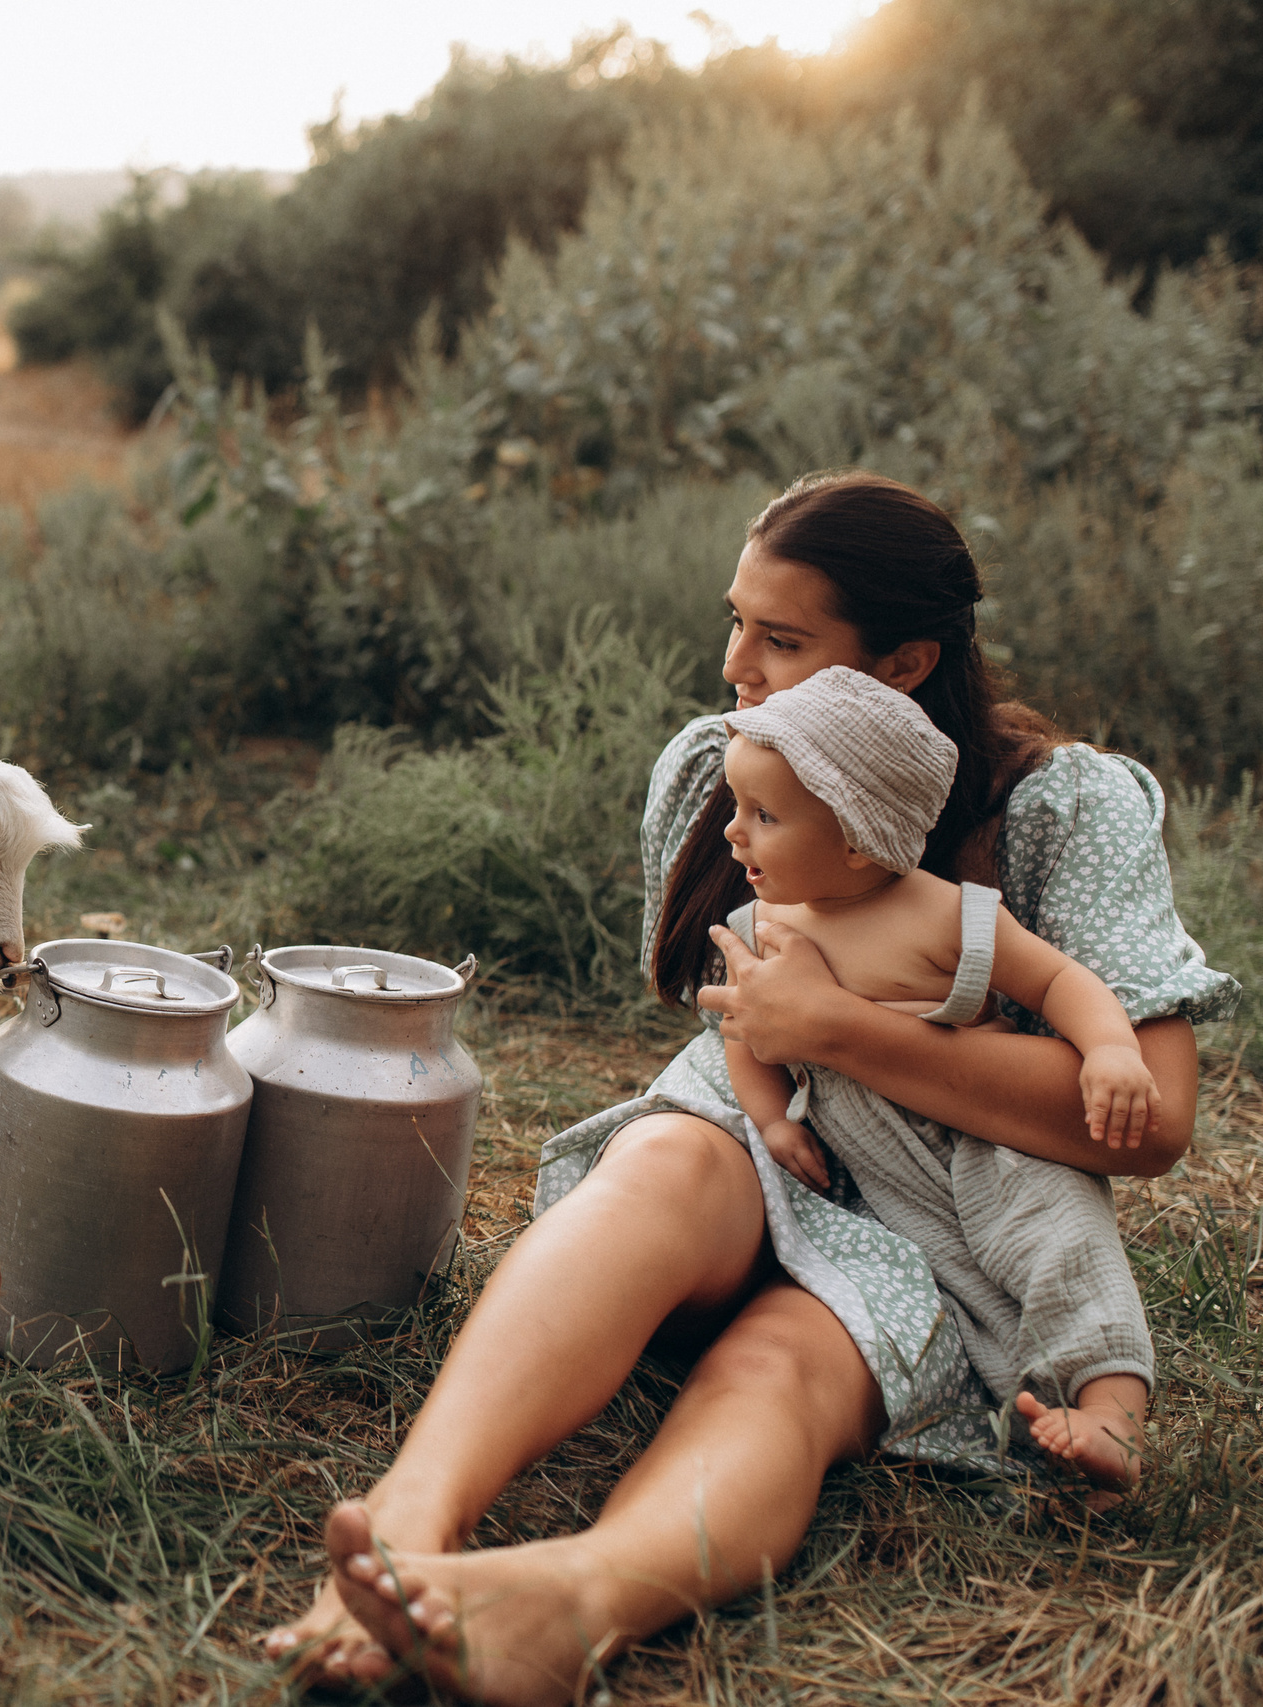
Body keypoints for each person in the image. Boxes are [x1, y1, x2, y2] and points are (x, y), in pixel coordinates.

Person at [259, 471, 1238, 1706]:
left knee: (780, 1362)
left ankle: (569, 1607)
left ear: (904, 663)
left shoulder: (1060, 806)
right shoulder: (731, 765)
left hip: (942, 1218)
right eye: (736, 622)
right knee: (664, 1164)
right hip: (770, 1138)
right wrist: (782, 1076)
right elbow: (734, 1034)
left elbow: (1155, 1122)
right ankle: (405, 1528)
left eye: (781, 639)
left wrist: (840, 1030)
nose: (734, 666)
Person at [715, 664, 1158, 1488]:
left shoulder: (943, 914)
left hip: (992, 1142)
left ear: (856, 838)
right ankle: (1034, 1427)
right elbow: (745, 1031)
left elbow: (1060, 981)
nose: (735, 833)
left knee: (1064, 1245)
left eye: (763, 815)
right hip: (874, 1168)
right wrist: (772, 1118)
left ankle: (1111, 1415)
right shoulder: (763, 924)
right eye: (739, 807)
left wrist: (1110, 1050)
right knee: (955, 1288)